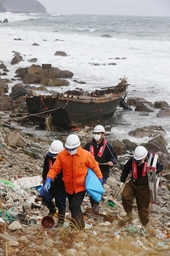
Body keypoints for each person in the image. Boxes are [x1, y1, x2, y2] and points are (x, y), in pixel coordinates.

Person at [44, 134, 103, 230]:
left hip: (81, 186)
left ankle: (79, 227)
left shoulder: (86, 155)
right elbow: (54, 168)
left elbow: (95, 166)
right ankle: (78, 223)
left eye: (72, 149)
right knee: (72, 207)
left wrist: (100, 178)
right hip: (68, 186)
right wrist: (48, 179)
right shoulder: (62, 155)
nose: (70, 151)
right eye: (68, 149)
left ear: (78, 146)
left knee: (74, 205)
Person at [120, 145, 163, 227]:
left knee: (143, 208)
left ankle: (144, 224)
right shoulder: (132, 160)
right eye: (137, 160)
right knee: (125, 196)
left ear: (145, 156)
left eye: (140, 160)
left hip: (145, 187)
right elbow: (126, 169)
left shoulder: (151, 159)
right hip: (133, 183)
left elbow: (161, 166)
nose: (138, 161)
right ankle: (129, 214)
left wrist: (155, 171)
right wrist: (122, 180)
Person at [84, 124, 117, 213]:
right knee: (91, 188)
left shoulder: (108, 146)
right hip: (91, 171)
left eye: (98, 133)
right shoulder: (88, 145)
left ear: (103, 134)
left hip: (103, 171)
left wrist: (112, 162)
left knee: (97, 186)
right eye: (95, 133)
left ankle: (96, 205)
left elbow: (114, 157)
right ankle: (94, 205)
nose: (97, 135)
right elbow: (82, 155)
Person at [40, 140, 66, 226]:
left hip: (61, 183)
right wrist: (44, 179)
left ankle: (61, 221)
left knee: (61, 203)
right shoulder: (48, 156)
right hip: (50, 181)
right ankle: (52, 209)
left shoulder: (65, 157)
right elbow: (46, 167)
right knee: (44, 195)